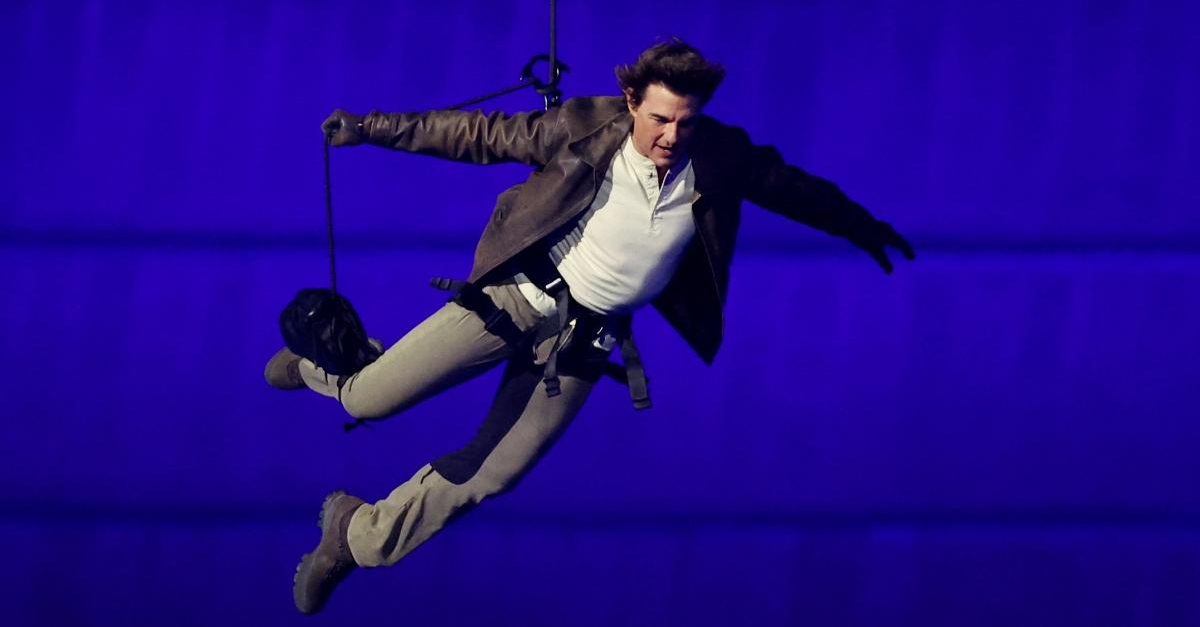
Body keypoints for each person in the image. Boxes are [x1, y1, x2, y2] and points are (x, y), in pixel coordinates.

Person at [265, 39, 914, 614]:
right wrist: (369, 127)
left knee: (495, 472)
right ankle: (315, 369)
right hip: (515, 298)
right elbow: (477, 134)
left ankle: (356, 535)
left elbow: (794, 188)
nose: (669, 136)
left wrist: (862, 226)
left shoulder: (720, 155)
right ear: (632, 100)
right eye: (658, 118)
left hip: (583, 339)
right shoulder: (582, 127)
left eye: (685, 123)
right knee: (370, 396)